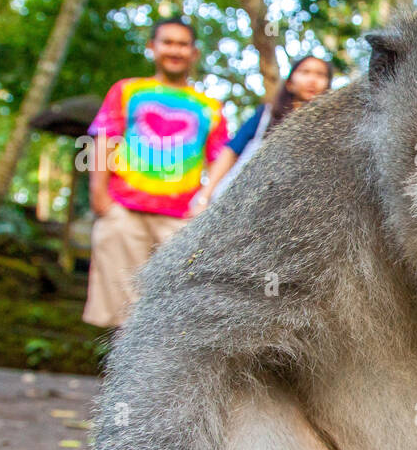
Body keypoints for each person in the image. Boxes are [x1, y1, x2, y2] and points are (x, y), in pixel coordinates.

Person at [82, 17, 228, 328]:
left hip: (181, 221)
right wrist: (99, 195)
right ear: (152, 47)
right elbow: (105, 139)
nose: (175, 50)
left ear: (194, 52)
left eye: (183, 44)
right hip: (124, 211)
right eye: (168, 42)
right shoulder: (128, 90)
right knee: (120, 315)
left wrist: (205, 200)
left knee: (175, 313)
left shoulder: (210, 106)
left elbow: (222, 158)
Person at [188, 54, 332, 213]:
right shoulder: (266, 116)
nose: (312, 80)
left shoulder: (330, 130)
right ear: (289, 83)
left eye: (320, 74)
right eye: (305, 72)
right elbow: (231, 152)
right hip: (243, 205)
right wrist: (204, 198)